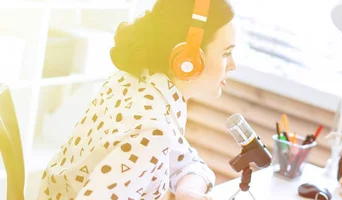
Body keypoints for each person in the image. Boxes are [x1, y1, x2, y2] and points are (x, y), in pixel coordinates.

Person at [37, 0, 237, 199]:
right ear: (189, 58)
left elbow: (188, 162)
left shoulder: (138, 84)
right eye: (226, 53)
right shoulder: (153, 129)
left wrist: (188, 190)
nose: (233, 65)